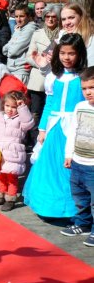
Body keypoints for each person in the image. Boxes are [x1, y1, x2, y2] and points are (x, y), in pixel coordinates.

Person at [23, 33, 88, 218]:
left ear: (79, 54)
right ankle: (50, 207)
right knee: (50, 168)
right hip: (55, 127)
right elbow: (49, 104)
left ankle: (73, 209)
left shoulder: (83, 78)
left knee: (70, 170)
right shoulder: (53, 77)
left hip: (75, 129)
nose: (66, 58)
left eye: (71, 53)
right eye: (63, 53)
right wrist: (42, 129)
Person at [0, 91, 34, 211]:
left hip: (13, 152)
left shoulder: (20, 119)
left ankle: (10, 198)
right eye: (7, 106)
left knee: (12, 177)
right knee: (1, 175)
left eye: (14, 107)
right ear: (3, 105)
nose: (10, 109)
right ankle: (0, 195)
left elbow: (28, 123)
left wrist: (22, 107)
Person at [61, 66, 94, 247]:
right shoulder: (80, 107)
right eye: (85, 88)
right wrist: (69, 154)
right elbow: (72, 131)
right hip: (78, 162)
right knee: (79, 197)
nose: (88, 92)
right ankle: (83, 223)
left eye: (92, 88)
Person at [26, 4, 61, 148]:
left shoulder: (63, 34)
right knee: (36, 112)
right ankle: (36, 142)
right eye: (47, 16)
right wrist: (40, 60)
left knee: (53, 110)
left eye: (53, 17)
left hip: (56, 77)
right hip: (38, 79)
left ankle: (50, 142)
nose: (50, 19)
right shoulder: (37, 33)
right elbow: (28, 56)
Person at [2, 4, 37, 84]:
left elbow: (13, 51)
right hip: (13, 70)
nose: (18, 19)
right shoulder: (19, 29)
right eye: (16, 16)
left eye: (21, 16)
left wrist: (7, 49)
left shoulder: (30, 29)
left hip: (20, 72)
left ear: (28, 17)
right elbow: (5, 49)